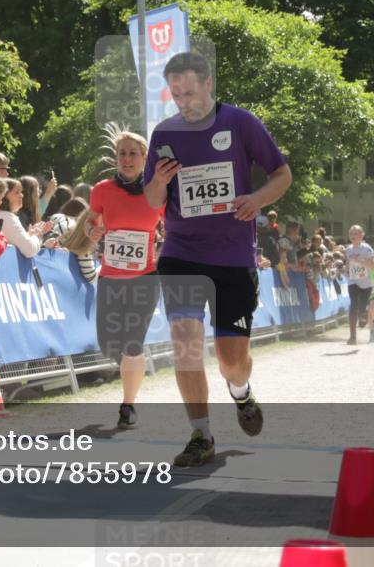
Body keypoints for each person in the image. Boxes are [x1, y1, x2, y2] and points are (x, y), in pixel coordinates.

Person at [144, 52, 292, 467]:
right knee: (186, 344)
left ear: (209, 84)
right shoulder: (164, 132)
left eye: (189, 92)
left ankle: (241, 393)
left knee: (231, 360)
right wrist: (158, 180)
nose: (183, 101)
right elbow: (153, 200)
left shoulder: (241, 123)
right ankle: (201, 434)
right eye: (176, 94)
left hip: (232, 256)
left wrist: (256, 199)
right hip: (181, 253)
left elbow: (281, 173)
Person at [88, 127, 163, 428]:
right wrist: (92, 232)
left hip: (145, 277)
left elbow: (172, 228)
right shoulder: (102, 190)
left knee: (133, 342)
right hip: (110, 278)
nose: (127, 159)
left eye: (133, 154)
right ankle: (133, 366)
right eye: (122, 154)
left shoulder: (157, 190)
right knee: (109, 344)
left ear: (145, 157)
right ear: (116, 158)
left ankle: (128, 405)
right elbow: (91, 224)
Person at [0, 178, 50, 258]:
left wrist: (30, 234)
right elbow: (29, 250)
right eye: (17, 192)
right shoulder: (7, 217)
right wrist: (38, 235)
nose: (22, 195)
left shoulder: (0, 215)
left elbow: (15, 240)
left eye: (21, 192)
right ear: (4, 196)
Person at [343, 224, 374, 344]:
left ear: (362, 235)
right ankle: (352, 336)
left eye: (356, 233)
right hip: (353, 280)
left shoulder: (366, 248)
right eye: (351, 233)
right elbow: (347, 262)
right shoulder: (348, 249)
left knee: (362, 307)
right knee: (353, 305)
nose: (353, 236)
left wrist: (360, 261)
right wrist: (346, 270)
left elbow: (373, 265)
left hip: (366, 283)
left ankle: (364, 314)